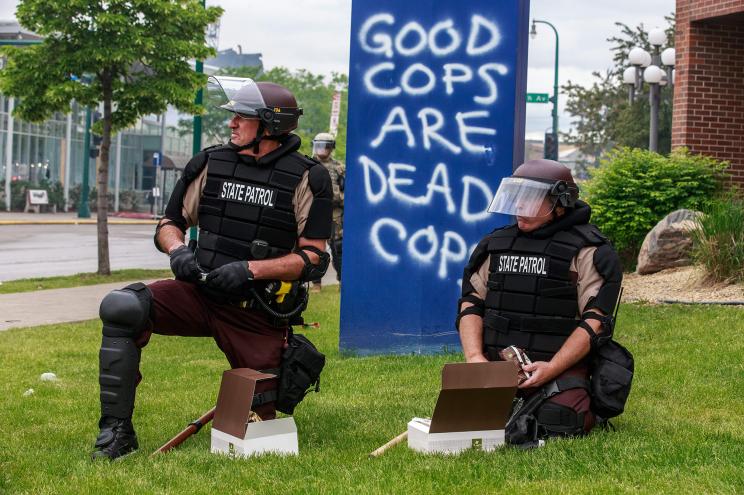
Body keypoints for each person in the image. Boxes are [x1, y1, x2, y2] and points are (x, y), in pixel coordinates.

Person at [91, 76, 333, 460]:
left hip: (255, 312)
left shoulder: (308, 177)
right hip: (198, 295)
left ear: (270, 124)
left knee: (262, 426)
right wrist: (177, 252)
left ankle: (266, 389)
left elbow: (313, 258)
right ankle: (115, 433)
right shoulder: (209, 162)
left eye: (242, 117)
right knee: (123, 306)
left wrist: (251, 270)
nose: (232, 123)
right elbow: (169, 224)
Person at [457, 159, 622, 447]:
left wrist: (552, 367)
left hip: (556, 367)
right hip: (496, 367)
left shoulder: (590, 250)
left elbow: (595, 322)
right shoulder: (494, 245)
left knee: (560, 419)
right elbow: (471, 303)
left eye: (530, 198)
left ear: (560, 202)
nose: (520, 207)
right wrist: (475, 360)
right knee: (464, 419)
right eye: (517, 197)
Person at [309, 132, 344, 291]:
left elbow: (347, 190)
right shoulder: (308, 164)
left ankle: (342, 280)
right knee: (314, 247)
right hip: (313, 212)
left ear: (331, 148)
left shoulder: (339, 168)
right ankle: (316, 283)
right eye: (319, 146)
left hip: (334, 213)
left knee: (338, 247)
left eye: (325, 146)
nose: (321, 150)